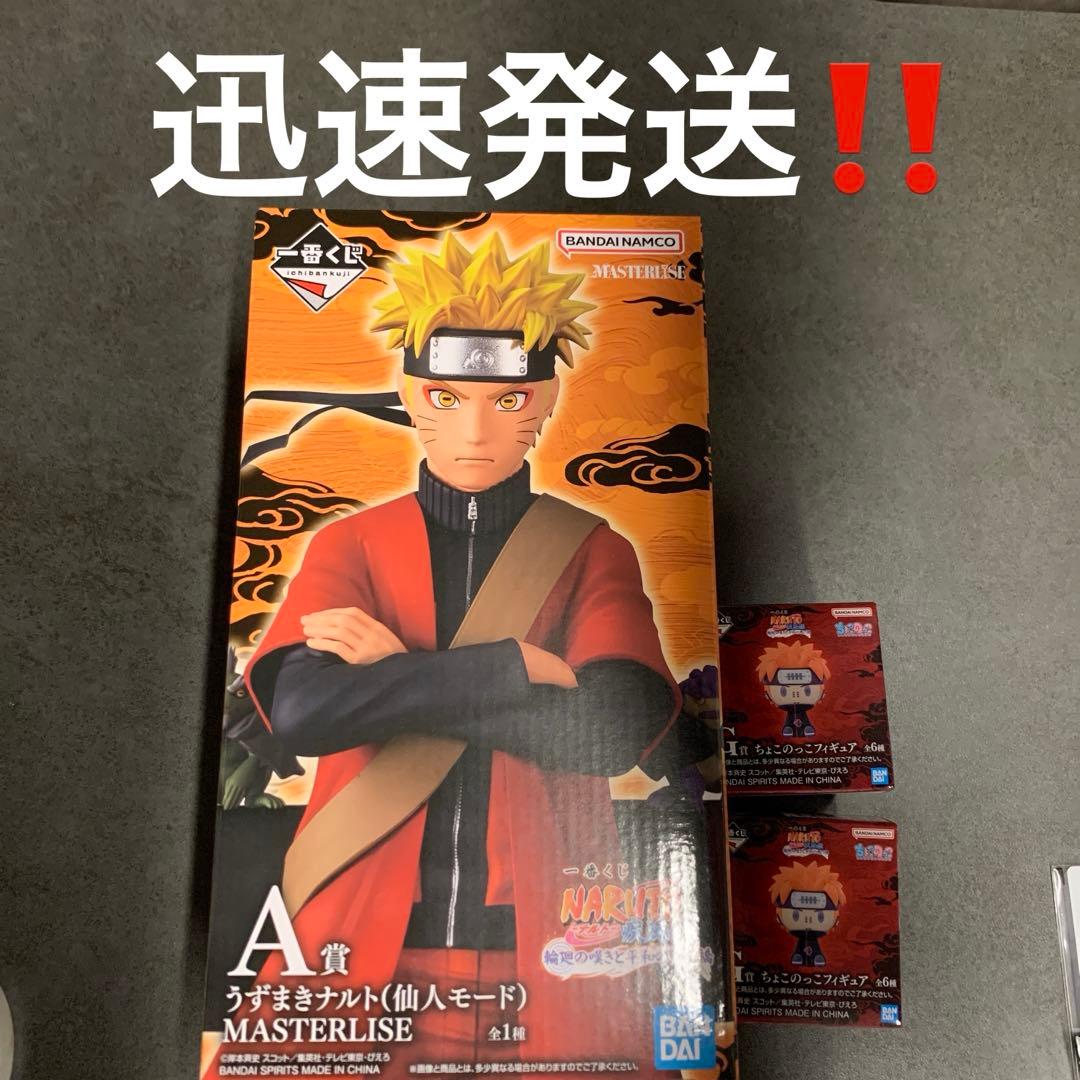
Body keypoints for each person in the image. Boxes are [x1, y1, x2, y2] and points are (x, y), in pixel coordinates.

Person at [240, 232, 680, 1068]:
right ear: (411, 393)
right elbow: (300, 713)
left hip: (553, 952)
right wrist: (514, 668)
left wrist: (392, 677)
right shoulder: (351, 545)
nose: (476, 429)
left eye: (509, 398)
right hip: (350, 929)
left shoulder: (592, 547)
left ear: (547, 398)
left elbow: (610, 729)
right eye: (446, 396)